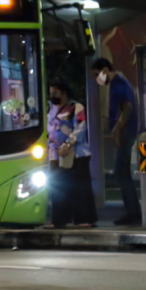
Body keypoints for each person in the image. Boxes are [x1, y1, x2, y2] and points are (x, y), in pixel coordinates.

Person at [92, 58, 142, 225]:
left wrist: (117, 129)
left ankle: (133, 213)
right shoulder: (118, 83)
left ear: (105, 70)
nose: (97, 79)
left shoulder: (119, 83)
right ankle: (133, 212)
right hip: (125, 132)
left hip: (126, 133)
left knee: (121, 173)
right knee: (122, 173)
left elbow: (127, 108)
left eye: (97, 74)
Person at [44, 80, 97, 229]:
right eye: (51, 94)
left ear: (65, 93)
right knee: (58, 187)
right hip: (56, 154)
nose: (53, 97)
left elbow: (80, 127)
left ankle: (84, 218)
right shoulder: (51, 109)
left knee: (80, 187)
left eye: (56, 94)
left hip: (76, 154)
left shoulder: (76, 107)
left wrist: (69, 143)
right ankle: (59, 220)